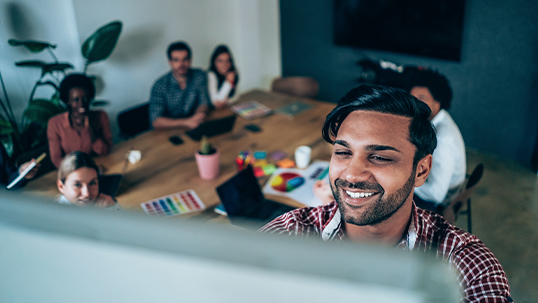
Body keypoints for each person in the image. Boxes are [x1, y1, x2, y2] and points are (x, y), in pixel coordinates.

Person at [261, 85, 512, 302]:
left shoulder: (463, 265)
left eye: (380, 157)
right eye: (343, 152)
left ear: (421, 171)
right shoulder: (290, 234)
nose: (352, 174)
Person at [408, 68, 466, 211]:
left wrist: (404, 181)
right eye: (412, 99)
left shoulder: (443, 139)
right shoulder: (439, 119)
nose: (414, 105)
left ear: (437, 101)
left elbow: (436, 195)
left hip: (440, 204)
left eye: (421, 99)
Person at [47, 74, 113, 168]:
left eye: (85, 99)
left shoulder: (101, 116)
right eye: (75, 100)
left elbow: (104, 151)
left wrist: (90, 128)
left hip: (100, 167)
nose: (81, 104)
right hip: (72, 173)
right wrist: (79, 172)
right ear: (68, 101)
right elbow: (56, 159)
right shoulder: (55, 124)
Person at [149, 41, 210, 130]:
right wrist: (186, 122)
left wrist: (199, 115)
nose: (181, 64)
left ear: (190, 60)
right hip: (168, 131)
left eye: (185, 59)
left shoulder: (199, 75)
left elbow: (203, 102)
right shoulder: (160, 85)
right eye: (176, 60)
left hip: (194, 125)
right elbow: (155, 121)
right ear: (170, 62)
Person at [207, 45, 239, 109]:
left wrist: (226, 101)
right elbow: (216, 102)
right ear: (214, 62)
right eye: (220, 61)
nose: (224, 64)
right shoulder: (211, 75)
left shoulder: (231, 73)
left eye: (227, 61)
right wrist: (227, 82)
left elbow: (235, 97)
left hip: (225, 109)